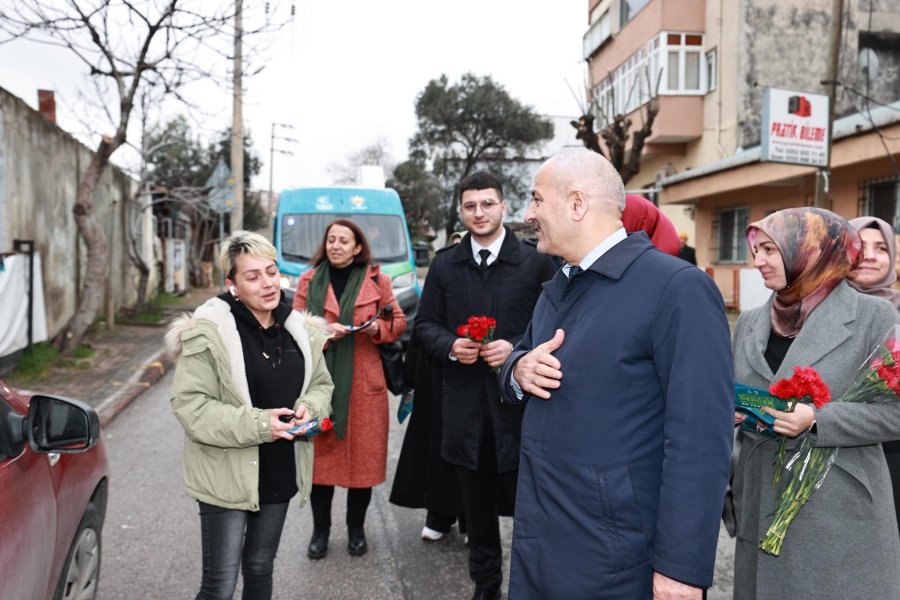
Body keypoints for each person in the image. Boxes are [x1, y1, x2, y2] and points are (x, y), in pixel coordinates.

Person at [500, 147, 734, 599]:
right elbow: (520, 358)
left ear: (576, 203)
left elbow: (700, 440)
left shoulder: (676, 288)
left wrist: (681, 570)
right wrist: (517, 369)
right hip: (543, 537)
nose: (529, 214)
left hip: (618, 555)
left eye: (536, 199)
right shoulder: (558, 288)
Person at [731, 208, 900, 599]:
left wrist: (818, 420)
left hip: (838, 513)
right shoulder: (750, 322)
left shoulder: (874, 316)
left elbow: (895, 411)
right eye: (756, 250)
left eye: (770, 250)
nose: (758, 261)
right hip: (759, 501)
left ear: (807, 251)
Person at [167, 231, 334, 600]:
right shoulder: (209, 333)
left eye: (271, 272)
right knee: (219, 586)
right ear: (232, 286)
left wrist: (312, 407)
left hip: (279, 468)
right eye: (253, 276)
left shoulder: (299, 331)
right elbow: (191, 406)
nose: (267, 283)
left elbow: (322, 385)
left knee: (260, 568)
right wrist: (262, 424)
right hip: (226, 471)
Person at [415, 171, 556, 600]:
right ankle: (486, 586)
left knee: (536, 510)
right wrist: (451, 345)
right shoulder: (445, 264)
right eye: (470, 205)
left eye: (487, 203)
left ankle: (538, 586)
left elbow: (556, 325)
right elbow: (424, 325)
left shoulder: (535, 262)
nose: (479, 212)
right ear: (461, 210)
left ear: (504, 206)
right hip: (464, 409)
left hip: (522, 412)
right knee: (477, 513)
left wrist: (513, 350)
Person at [292, 218, 406, 560]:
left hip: (364, 385)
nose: (335, 246)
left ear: (358, 248)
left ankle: (356, 530)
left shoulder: (378, 280)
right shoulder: (308, 280)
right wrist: (324, 333)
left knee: (363, 467)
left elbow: (397, 322)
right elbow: (294, 326)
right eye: (331, 240)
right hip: (319, 385)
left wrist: (375, 331)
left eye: (344, 241)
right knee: (320, 466)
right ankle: (320, 531)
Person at [847, 216, 900, 543]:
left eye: (881, 248)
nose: (869, 256)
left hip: (894, 455)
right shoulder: (813, 311)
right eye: (860, 246)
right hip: (838, 456)